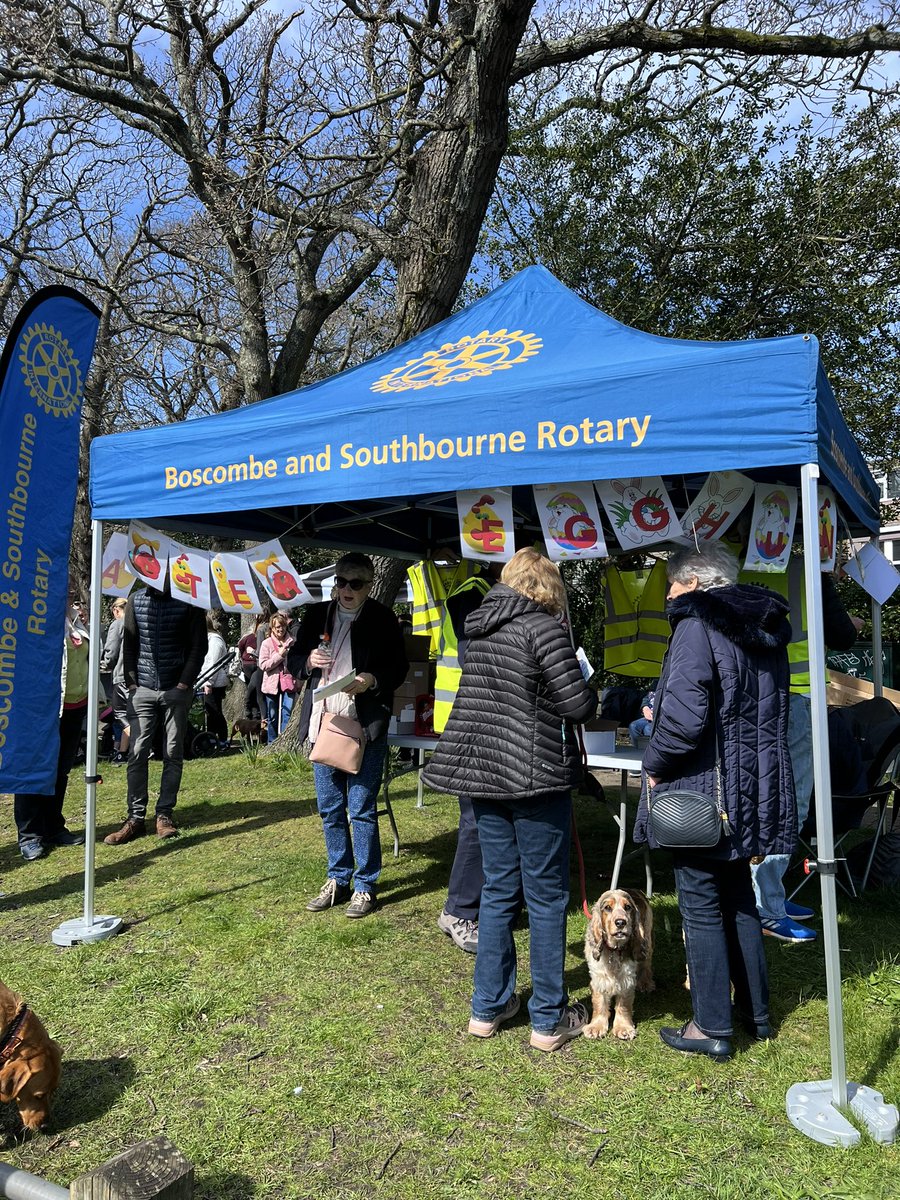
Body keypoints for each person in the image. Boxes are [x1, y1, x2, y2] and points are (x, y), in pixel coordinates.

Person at [422, 548, 596, 1052]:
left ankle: (488, 1008)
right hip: (535, 775)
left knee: (498, 891)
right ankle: (548, 1018)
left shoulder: (478, 627)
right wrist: (590, 686)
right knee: (545, 898)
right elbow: (578, 705)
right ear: (546, 588)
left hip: (483, 775)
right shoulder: (544, 629)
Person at [635, 544, 796, 1060]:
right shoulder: (767, 626)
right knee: (738, 898)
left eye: (670, 585)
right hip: (755, 786)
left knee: (701, 904)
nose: (667, 595)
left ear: (694, 583)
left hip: (708, 788)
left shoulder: (695, 625)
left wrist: (654, 763)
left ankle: (711, 1027)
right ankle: (757, 1016)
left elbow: (683, 719)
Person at [746, 561, 861, 942]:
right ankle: (767, 907)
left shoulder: (731, 562)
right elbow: (843, 636)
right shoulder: (808, 566)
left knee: (763, 798)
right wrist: (854, 622)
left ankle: (768, 895)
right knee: (788, 802)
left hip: (752, 696)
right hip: (794, 695)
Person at [294, 552, 408, 918]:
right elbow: (295, 660)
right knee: (330, 809)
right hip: (323, 725)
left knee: (360, 808)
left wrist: (372, 680)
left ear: (369, 585)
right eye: (340, 582)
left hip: (364, 725)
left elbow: (398, 666)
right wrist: (309, 661)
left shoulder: (382, 618)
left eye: (355, 583)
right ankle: (337, 879)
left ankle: (365, 885)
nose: (345, 589)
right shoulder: (316, 616)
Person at [104, 579, 208, 845]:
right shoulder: (136, 600)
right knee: (136, 753)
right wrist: (132, 683)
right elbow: (129, 644)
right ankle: (135, 818)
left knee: (173, 752)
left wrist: (184, 683)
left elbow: (199, 646)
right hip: (143, 689)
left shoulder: (189, 600)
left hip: (176, 688)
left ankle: (164, 815)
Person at [434, 565, 498, 954]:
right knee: (476, 820)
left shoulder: (484, 593)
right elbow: (477, 654)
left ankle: (484, 903)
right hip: (469, 725)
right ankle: (459, 910)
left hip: (484, 723)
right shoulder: (470, 595)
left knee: (489, 820)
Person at [14, 598, 90, 860]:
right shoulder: (35, 621)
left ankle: (54, 827)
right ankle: (29, 835)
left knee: (60, 771)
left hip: (74, 706)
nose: (68, 597)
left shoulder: (76, 620)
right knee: (34, 771)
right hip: (43, 710)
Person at [99, 596, 131, 764]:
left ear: (116, 611)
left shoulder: (118, 624)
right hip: (140, 676)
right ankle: (123, 752)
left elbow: (111, 653)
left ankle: (132, 748)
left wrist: (104, 663)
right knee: (133, 715)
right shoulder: (138, 623)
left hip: (121, 675)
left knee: (120, 715)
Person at [258, 611, 296, 742]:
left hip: (289, 682)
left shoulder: (293, 642)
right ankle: (272, 742)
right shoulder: (266, 643)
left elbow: (297, 662)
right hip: (271, 683)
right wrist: (280, 655)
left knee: (287, 712)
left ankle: (284, 742)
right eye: (277, 627)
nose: (280, 629)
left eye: (283, 626)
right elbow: (263, 665)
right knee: (272, 715)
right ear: (272, 628)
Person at [200, 612, 230, 749]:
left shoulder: (215, 641)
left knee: (215, 711)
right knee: (210, 711)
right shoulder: (208, 639)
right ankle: (211, 737)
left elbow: (213, 663)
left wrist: (208, 682)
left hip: (214, 682)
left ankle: (223, 738)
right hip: (209, 681)